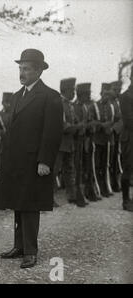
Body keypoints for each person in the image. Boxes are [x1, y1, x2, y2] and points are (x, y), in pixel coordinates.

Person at [0, 49, 63, 269]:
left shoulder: (50, 96)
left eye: (26, 69)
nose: (22, 72)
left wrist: (45, 160)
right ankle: (19, 246)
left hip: (35, 161)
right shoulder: (17, 96)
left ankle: (31, 251)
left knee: (30, 205)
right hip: (15, 161)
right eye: (20, 68)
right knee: (18, 203)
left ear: (38, 70)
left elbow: (52, 132)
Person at [53, 78, 86, 206]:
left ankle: (72, 196)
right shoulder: (59, 104)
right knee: (55, 171)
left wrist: (80, 125)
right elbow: (63, 126)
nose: (74, 93)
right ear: (65, 90)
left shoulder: (70, 105)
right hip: (60, 144)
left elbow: (74, 121)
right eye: (72, 90)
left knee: (69, 169)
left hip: (69, 144)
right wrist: (78, 127)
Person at [74, 83, 100, 202]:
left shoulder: (85, 106)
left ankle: (89, 192)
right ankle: (78, 194)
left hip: (86, 141)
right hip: (77, 142)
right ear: (81, 95)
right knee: (78, 169)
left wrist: (91, 125)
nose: (89, 96)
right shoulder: (75, 107)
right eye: (87, 94)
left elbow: (88, 120)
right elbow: (76, 125)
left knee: (88, 167)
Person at [90, 83, 116, 198]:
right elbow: (91, 121)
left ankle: (105, 187)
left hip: (107, 140)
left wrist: (109, 126)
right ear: (101, 94)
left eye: (109, 95)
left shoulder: (111, 107)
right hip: (97, 140)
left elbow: (114, 120)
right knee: (96, 165)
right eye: (105, 95)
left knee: (105, 165)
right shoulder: (94, 106)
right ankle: (96, 189)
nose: (107, 97)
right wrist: (101, 125)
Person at [119, 66, 133, 212]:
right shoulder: (126, 96)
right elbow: (129, 120)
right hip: (130, 138)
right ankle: (125, 200)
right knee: (128, 168)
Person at [109, 80, 123, 192]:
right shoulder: (109, 103)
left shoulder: (119, 102)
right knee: (110, 161)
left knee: (117, 160)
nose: (117, 92)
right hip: (110, 135)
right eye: (115, 90)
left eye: (119, 90)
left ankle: (115, 182)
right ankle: (111, 183)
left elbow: (121, 118)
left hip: (118, 134)